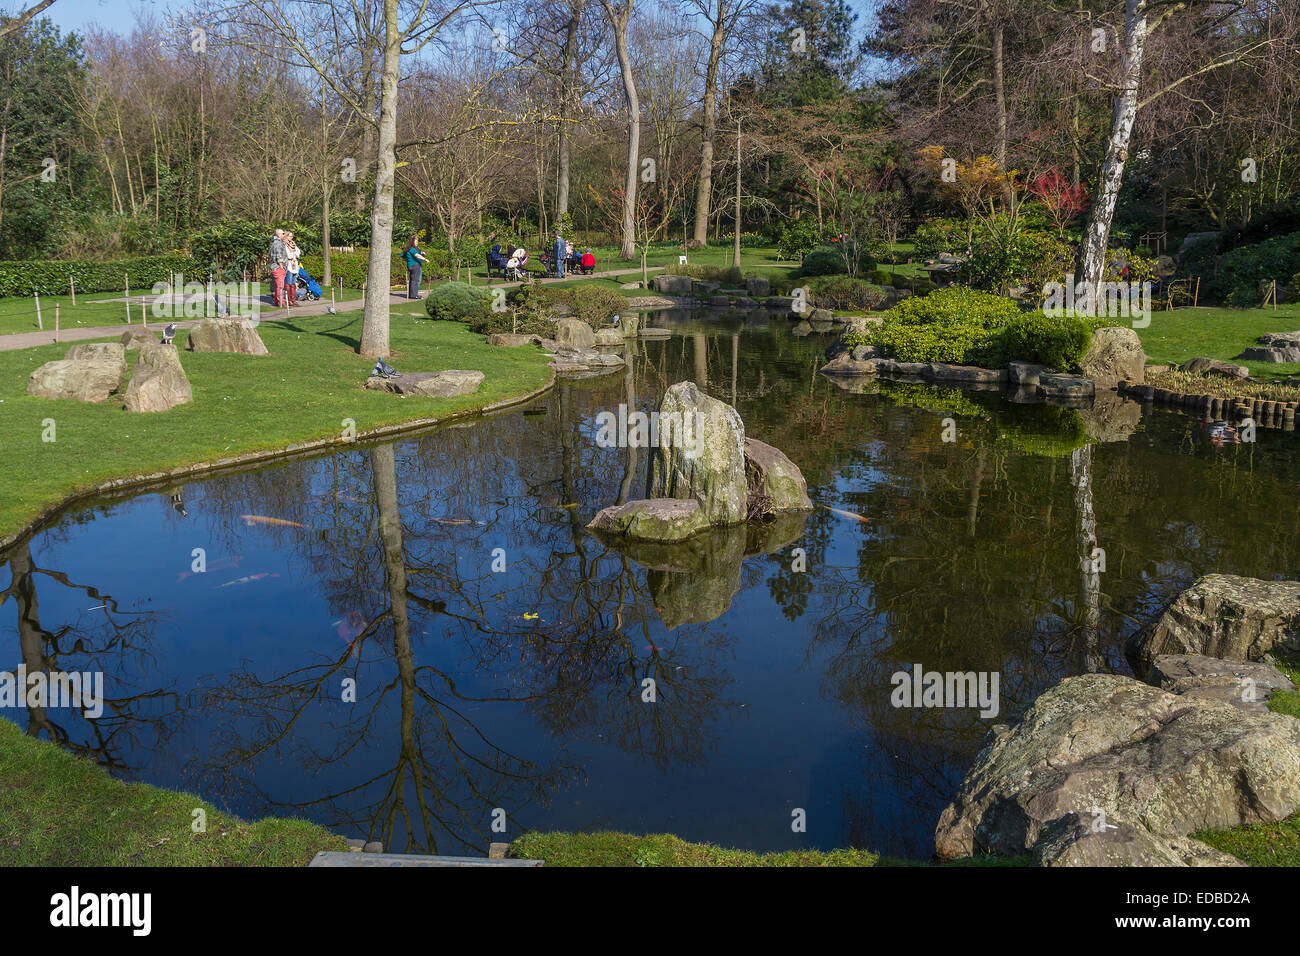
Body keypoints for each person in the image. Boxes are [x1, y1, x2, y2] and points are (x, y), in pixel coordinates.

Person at [269, 229, 289, 307]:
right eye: (282, 233)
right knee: (280, 286)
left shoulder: (280, 243)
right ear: (278, 235)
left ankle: (278, 302)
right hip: (278, 267)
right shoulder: (277, 243)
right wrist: (281, 267)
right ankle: (281, 302)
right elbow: (278, 256)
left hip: (278, 267)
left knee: (278, 286)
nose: (284, 235)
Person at [284, 232, 301, 306]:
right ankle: (289, 300)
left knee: (293, 283)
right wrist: (293, 253)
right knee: (288, 283)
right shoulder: (285, 246)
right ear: (286, 236)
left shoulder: (294, 244)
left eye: (292, 236)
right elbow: (288, 255)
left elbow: (298, 253)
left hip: (295, 266)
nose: (291, 238)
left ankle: (293, 300)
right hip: (289, 266)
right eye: (289, 236)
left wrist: (294, 252)